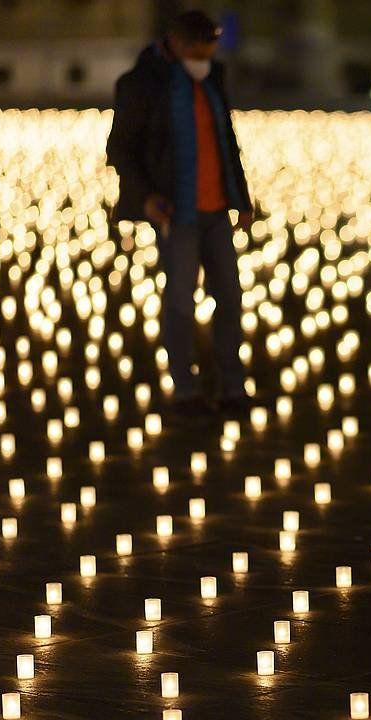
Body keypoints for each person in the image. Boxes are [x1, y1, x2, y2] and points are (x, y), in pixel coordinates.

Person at [106, 9, 254, 418]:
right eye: (200, 49)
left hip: (216, 209)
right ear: (177, 42)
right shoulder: (142, 84)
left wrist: (240, 197)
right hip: (177, 212)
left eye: (211, 49)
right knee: (180, 303)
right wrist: (147, 196)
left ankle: (232, 386)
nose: (205, 57)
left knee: (230, 297)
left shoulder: (211, 79)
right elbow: (121, 149)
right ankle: (185, 389)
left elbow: (226, 140)